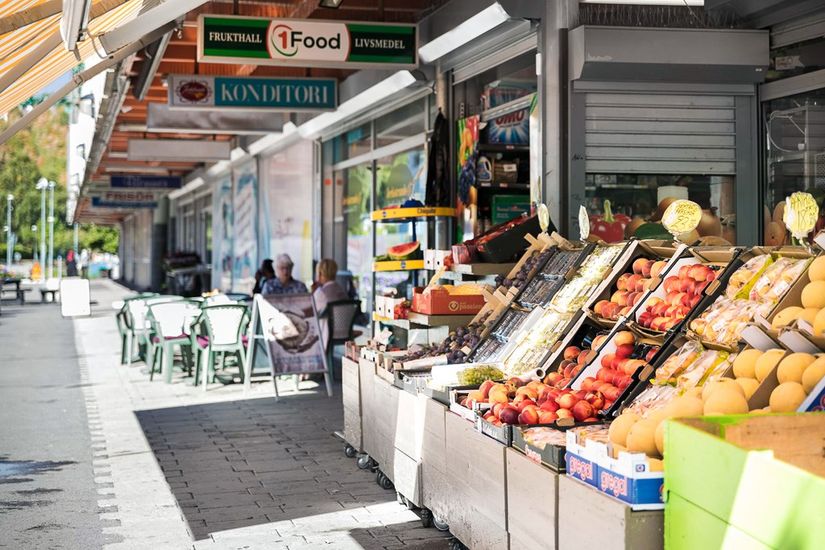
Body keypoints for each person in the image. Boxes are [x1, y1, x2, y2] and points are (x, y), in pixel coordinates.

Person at [312, 258, 349, 348]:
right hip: (345, 332)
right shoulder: (341, 291)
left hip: (327, 335)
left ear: (320, 273)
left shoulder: (321, 293)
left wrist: (313, 293)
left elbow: (312, 313)